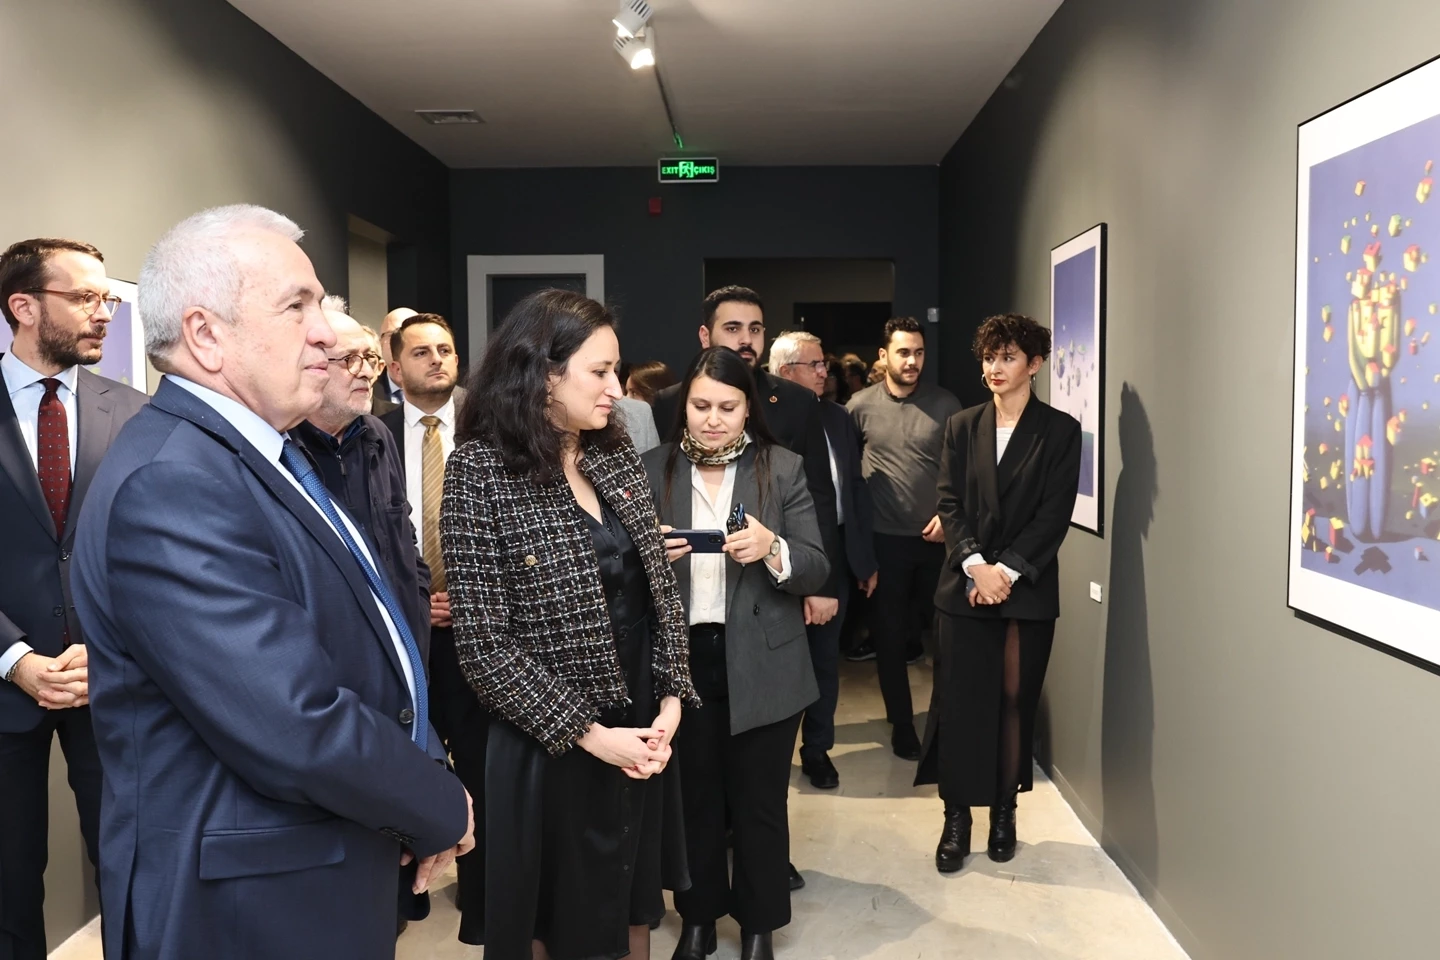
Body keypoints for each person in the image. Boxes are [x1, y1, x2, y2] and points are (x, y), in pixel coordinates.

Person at [69, 205, 473, 960]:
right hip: (247, 908)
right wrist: (439, 803)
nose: (326, 333)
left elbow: (357, 643)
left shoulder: (255, 455)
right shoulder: (175, 482)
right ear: (205, 335)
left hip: (305, 873)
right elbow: (294, 721)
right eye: (297, 307)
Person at [441, 289, 696, 960]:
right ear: (543, 373)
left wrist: (671, 697)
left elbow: (658, 589)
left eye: (617, 370)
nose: (616, 388)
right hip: (550, 744)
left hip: (641, 730)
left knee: (632, 911)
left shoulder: (613, 455)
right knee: (555, 921)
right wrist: (591, 736)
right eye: (600, 371)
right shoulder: (479, 470)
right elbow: (484, 647)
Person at [652, 286, 839, 892]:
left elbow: (815, 565)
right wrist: (645, 555)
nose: (713, 419)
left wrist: (773, 548)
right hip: (681, 658)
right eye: (701, 405)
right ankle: (699, 919)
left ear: (746, 408)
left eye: (727, 407)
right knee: (695, 799)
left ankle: (760, 920)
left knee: (761, 803)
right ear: (683, 405)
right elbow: (611, 571)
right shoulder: (652, 469)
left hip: (765, 656)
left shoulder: (780, 467)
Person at [0, 238, 148, 960]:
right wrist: (15, 658)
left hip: (112, 681)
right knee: (7, 885)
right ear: (24, 307)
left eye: (108, 298)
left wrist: (110, 645)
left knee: (133, 874)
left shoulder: (137, 412)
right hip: (4, 683)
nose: (104, 313)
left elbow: (150, 551)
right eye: (85, 297)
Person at [289, 296, 435, 933]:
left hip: (399, 670)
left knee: (388, 874)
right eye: (349, 359)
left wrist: (417, 605)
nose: (365, 372)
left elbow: (400, 541)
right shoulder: (278, 448)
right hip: (328, 682)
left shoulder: (376, 435)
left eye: (371, 359)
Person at [917, 313, 1081, 874]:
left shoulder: (1060, 431)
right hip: (964, 585)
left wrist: (1004, 572)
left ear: (1035, 364)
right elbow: (948, 502)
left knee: (1014, 703)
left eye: (1008, 357)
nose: (995, 367)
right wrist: (975, 566)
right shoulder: (962, 426)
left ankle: (1004, 812)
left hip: (1024, 589)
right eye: (989, 357)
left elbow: (1052, 516)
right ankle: (956, 817)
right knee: (958, 704)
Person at [375, 311, 491, 935]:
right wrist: (416, 601)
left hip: (480, 629)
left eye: (445, 349)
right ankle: (401, 897)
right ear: (395, 368)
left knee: (480, 762)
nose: (438, 360)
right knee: (404, 761)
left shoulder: (488, 426)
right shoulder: (370, 434)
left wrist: (467, 599)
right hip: (402, 628)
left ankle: (482, 898)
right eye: (421, 352)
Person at [846, 317, 961, 760]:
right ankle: (901, 725)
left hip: (937, 541)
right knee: (890, 640)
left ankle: (945, 722)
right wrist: (860, 551)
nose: (912, 361)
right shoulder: (858, 407)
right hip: (884, 543)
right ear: (884, 356)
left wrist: (948, 516)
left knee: (947, 639)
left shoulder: (946, 404)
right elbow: (847, 479)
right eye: (903, 352)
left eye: (918, 352)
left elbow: (964, 470)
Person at [769, 331, 877, 790]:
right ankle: (769, 757)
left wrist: (864, 560)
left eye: (824, 365)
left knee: (824, 663)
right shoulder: (765, 418)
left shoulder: (837, 416)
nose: (823, 372)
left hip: (836, 553)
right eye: (813, 365)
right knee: (778, 668)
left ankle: (817, 749)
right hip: (776, 559)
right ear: (784, 372)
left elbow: (853, 490)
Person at [373, 306, 417, 412]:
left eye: (412, 335)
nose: (401, 342)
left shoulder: (450, 393)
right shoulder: (367, 392)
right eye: (392, 335)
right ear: (380, 342)